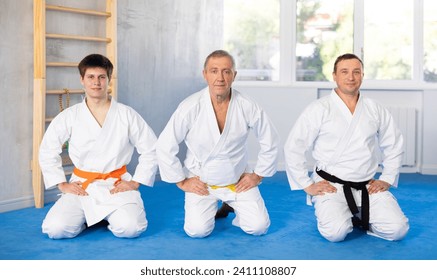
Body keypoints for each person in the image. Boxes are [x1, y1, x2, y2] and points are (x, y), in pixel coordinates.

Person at [284, 53, 409, 242]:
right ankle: (343, 214)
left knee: (398, 230)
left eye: (356, 72)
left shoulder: (374, 108)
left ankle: (357, 215)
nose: (351, 77)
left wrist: (387, 178)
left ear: (362, 75)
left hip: (367, 185)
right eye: (344, 72)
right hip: (331, 186)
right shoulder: (319, 108)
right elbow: (294, 146)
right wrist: (306, 184)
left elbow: (394, 143)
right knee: (336, 233)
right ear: (334, 75)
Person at [156, 50, 279, 238]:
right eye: (214, 71)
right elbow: (165, 144)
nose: (220, 78)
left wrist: (258, 176)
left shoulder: (247, 105)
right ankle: (215, 205)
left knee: (259, 227)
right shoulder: (190, 106)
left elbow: (270, 139)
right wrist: (181, 181)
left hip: (236, 180)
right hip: (202, 182)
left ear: (234, 75)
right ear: (205, 74)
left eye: (226, 71)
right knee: (197, 231)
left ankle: (231, 204)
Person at [39, 54, 158, 239]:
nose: (96, 82)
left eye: (102, 77)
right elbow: (48, 149)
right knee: (55, 229)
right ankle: (90, 216)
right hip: (83, 185)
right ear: (82, 80)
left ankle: (105, 215)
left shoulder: (126, 114)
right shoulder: (70, 115)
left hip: (116, 184)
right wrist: (61, 184)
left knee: (131, 228)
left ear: (109, 80)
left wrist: (135, 182)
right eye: (91, 77)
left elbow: (151, 148)